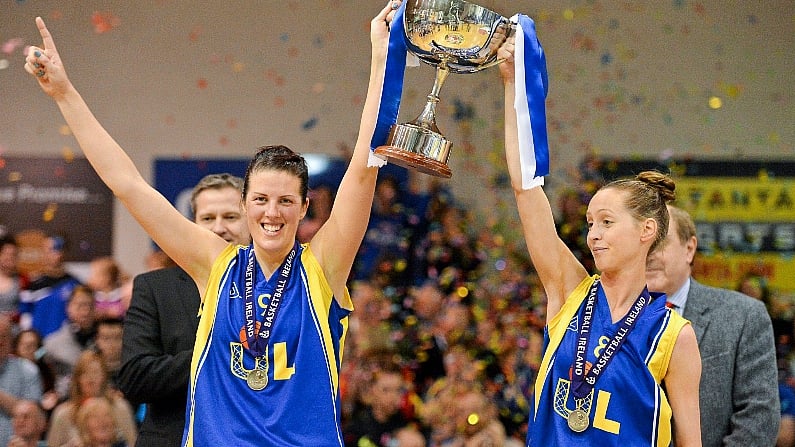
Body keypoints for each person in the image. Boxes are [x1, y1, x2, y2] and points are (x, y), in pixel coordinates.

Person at [26, 0, 398, 444]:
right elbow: (129, 185)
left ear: (303, 208)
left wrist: (383, 58)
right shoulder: (216, 265)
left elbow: (363, 166)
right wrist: (65, 95)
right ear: (245, 205)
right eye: (260, 199)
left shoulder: (323, 268)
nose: (271, 212)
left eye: (285, 201)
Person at [497, 28, 702, 445]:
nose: (594, 235)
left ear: (647, 231)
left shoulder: (674, 336)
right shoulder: (568, 290)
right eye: (590, 223)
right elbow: (525, 191)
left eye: (607, 222)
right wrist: (513, 89)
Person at [117, 173, 251, 447]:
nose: (219, 228)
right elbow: (134, 377)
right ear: (191, 225)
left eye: (230, 217)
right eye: (207, 218)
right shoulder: (155, 288)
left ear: (250, 222)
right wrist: (216, 355)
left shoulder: (280, 289)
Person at [645, 204, 779, 447]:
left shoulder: (743, 316)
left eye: (660, 242)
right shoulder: (608, 319)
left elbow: (759, 418)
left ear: (689, 249)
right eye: (641, 244)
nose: (649, 254)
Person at [47, 351, 137, 447]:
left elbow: (133, 443)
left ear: (104, 376)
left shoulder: (120, 407)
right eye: (85, 373)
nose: (90, 378)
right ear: (77, 379)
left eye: (95, 372)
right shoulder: (63, 413)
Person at [18, 236, 82, 338]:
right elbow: (25, 315)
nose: (55, 254)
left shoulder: (75, 284)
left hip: (66, 342)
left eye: (58, 248)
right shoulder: (32, 284)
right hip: (39, 342)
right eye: (50, 249)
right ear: (43, 252)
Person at [42, 285, 97, 399]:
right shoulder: (51, 343)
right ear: (68, 307)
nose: (85, 311)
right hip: (65, 399)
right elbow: (38, 359)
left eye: (90, 306)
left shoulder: (103, 340)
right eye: (80, 306)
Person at [0, 315, 43, 446]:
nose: (0, 341)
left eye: (4, 336)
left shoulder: (28, 370)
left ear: (11, 342)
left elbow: (31, 415)